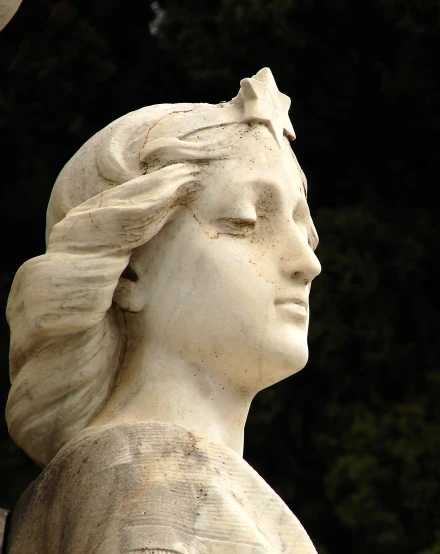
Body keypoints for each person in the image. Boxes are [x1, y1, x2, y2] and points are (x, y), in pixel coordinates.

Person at [3, 68, 321, 554]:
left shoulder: (156, 476)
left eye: (304, 229)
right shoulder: (156, 482)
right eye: (245, 221)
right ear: (128, 273)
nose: (307, 263)